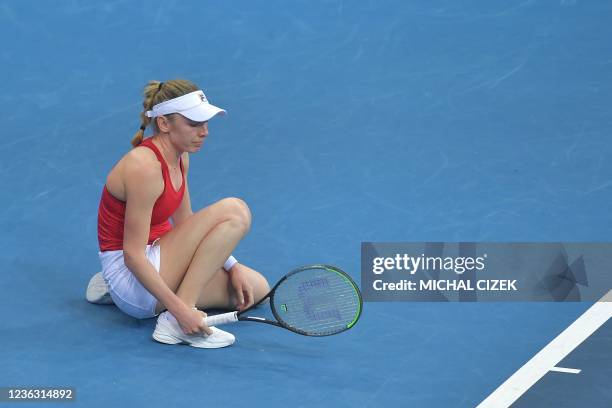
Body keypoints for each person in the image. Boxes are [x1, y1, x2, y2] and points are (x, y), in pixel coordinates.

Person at [95, 79, 270, 348]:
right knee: (235, 210)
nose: (205, 132)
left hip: (160, 256)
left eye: (206, 123)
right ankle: (174, 323)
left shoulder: (180, 155)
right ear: (164, 124)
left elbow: (186, 223)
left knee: (257, 289)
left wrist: (231, 265)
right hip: (132, 277)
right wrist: (181, 310)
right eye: (195, 124)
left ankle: (166, 302)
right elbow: (133, 254)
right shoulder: (144, 167)